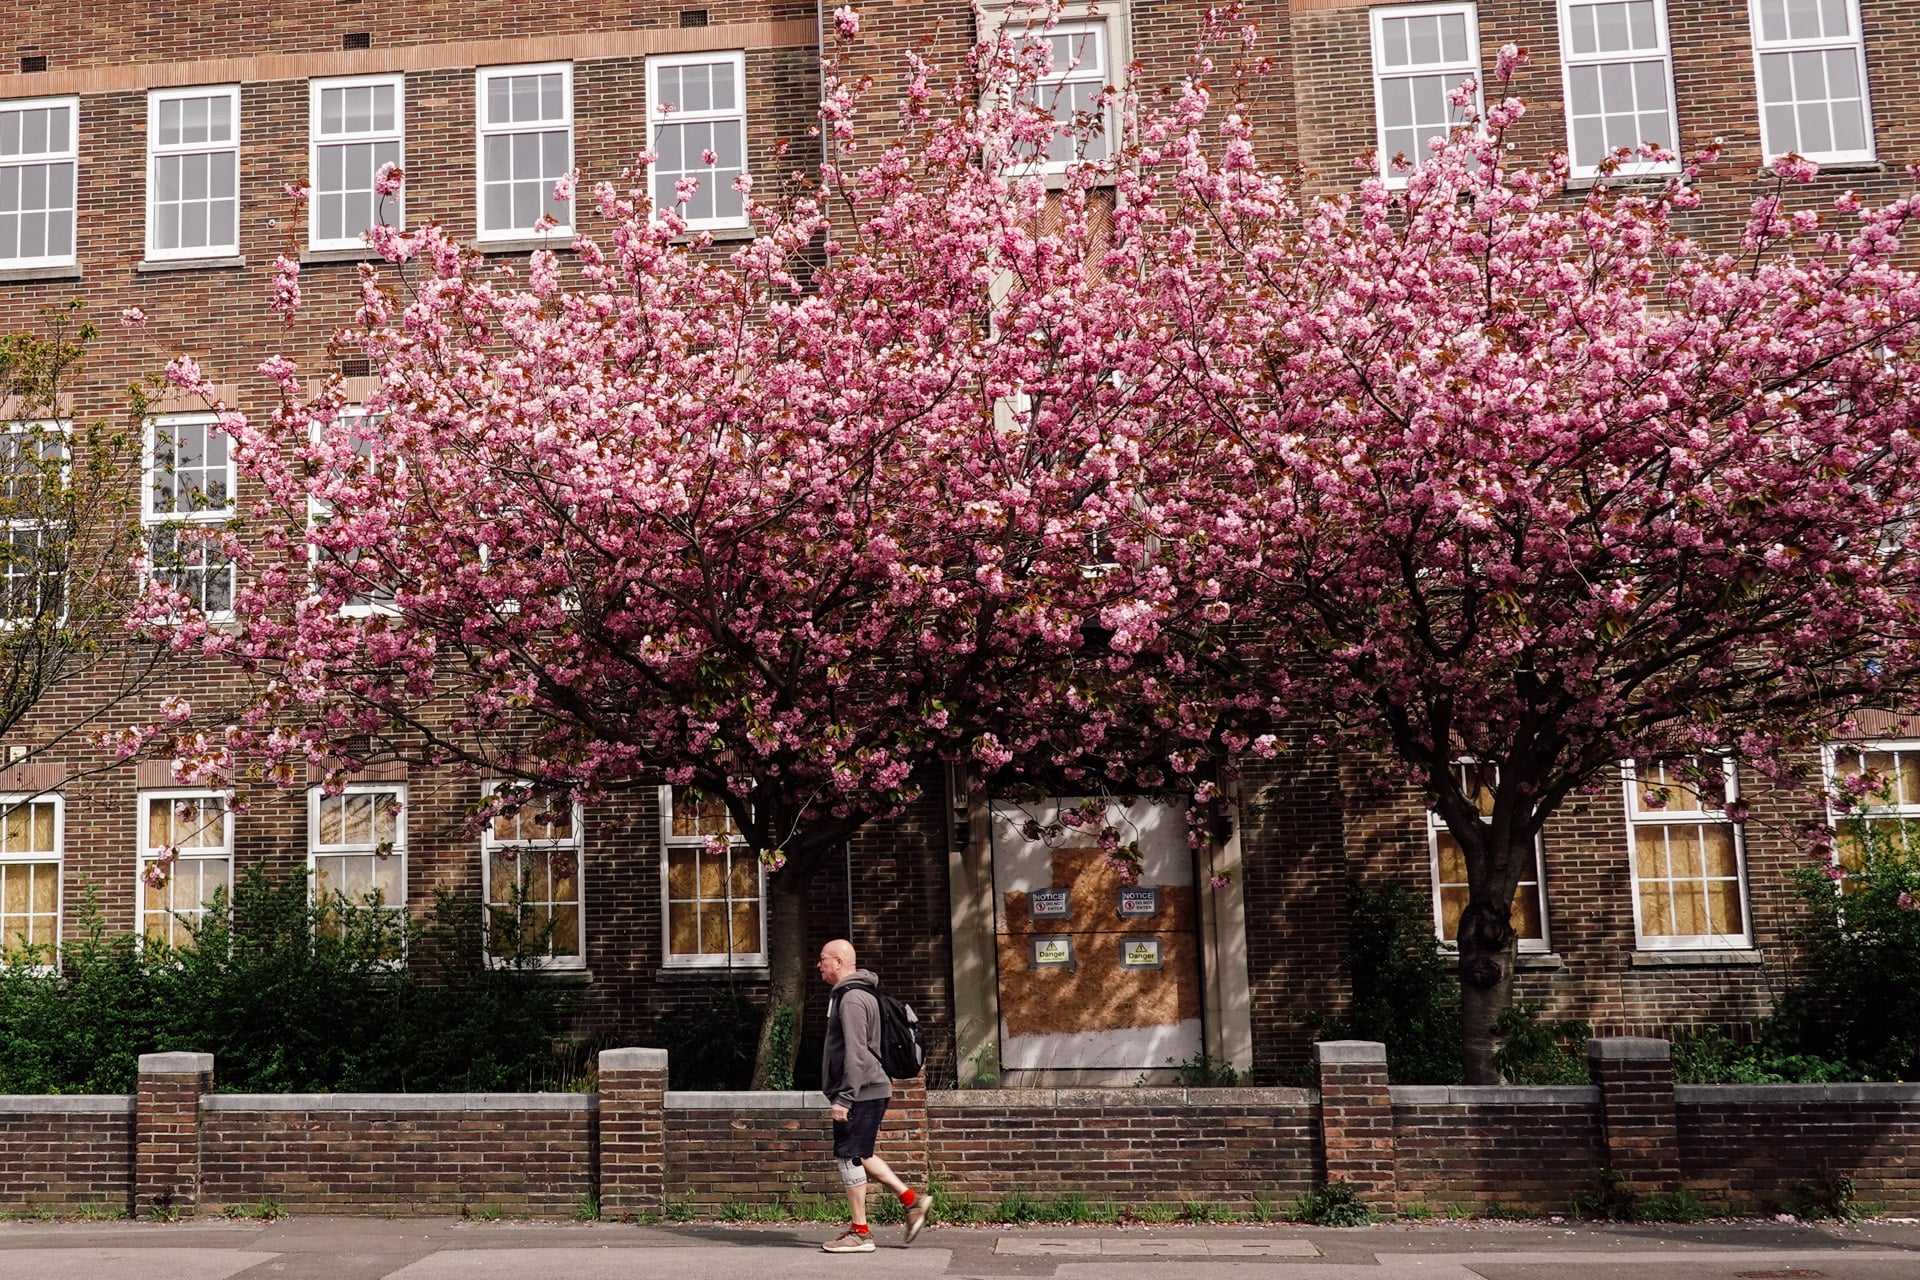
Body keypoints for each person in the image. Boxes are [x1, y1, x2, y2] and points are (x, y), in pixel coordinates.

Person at [816, 938, 929, 1252]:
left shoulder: (851, 999)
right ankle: (912, 1201)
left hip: (861, 1090)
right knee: (860, 1153)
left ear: (839, 962)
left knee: (849, 1155)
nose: (819, 965)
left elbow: (856, 1053)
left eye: (823, 959)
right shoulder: (859, 994)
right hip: (868, 1088)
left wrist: (844, 1098)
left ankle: (861, 1232)